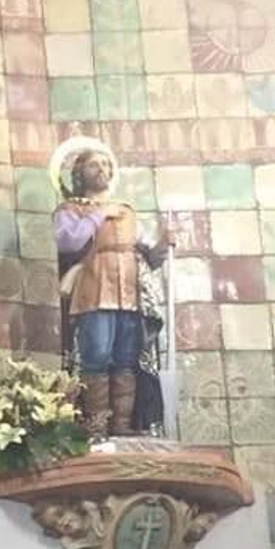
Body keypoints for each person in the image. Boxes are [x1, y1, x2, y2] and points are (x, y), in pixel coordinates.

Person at [51, 135, 167, 438]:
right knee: (98, 354)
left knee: (126, 356)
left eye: (105, 164)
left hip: (128, 290)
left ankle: (122, 425)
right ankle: (96, 425)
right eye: (93, 164)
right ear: (79, 174)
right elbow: (68, 241)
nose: (101, 169)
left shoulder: (127, 212)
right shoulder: (71, 209)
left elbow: (150, 256)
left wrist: (165, 244)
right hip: (94, 287)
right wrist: (99, 214)